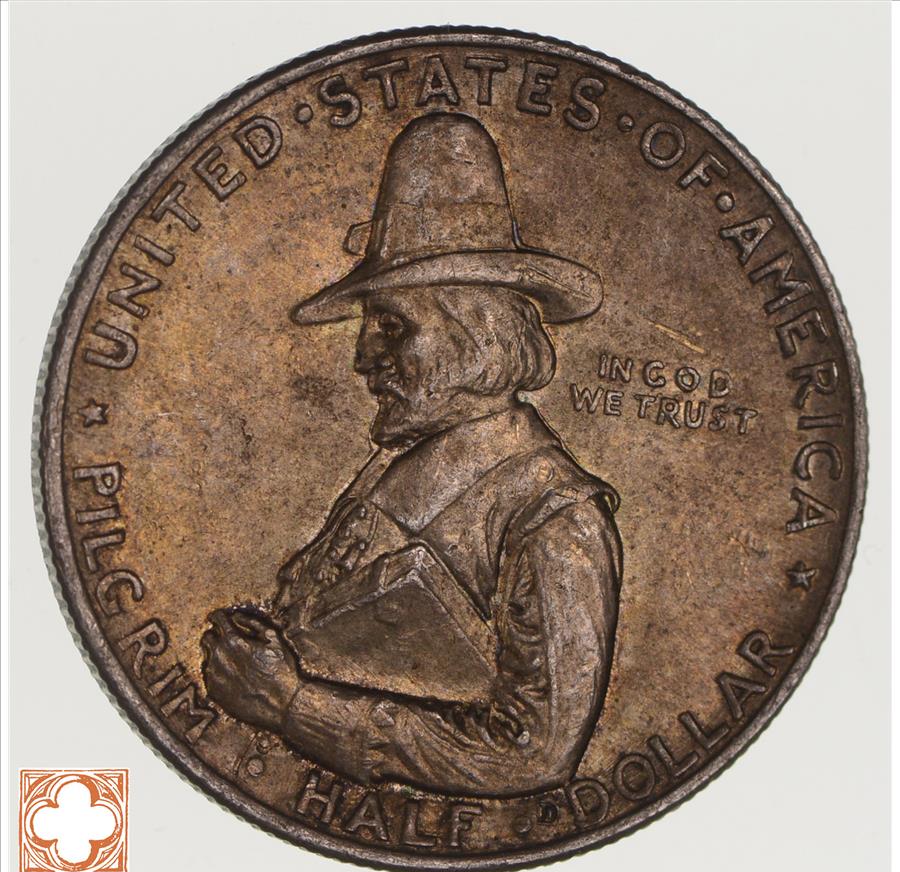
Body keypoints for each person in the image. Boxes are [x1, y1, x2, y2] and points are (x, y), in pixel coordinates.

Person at [201, 113, 622, 797]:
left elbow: (533, 756)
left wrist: (292, 707)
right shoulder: (399, 465)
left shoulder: (554, 518)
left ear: (476, 338)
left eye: (392, 326)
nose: (363, 357)